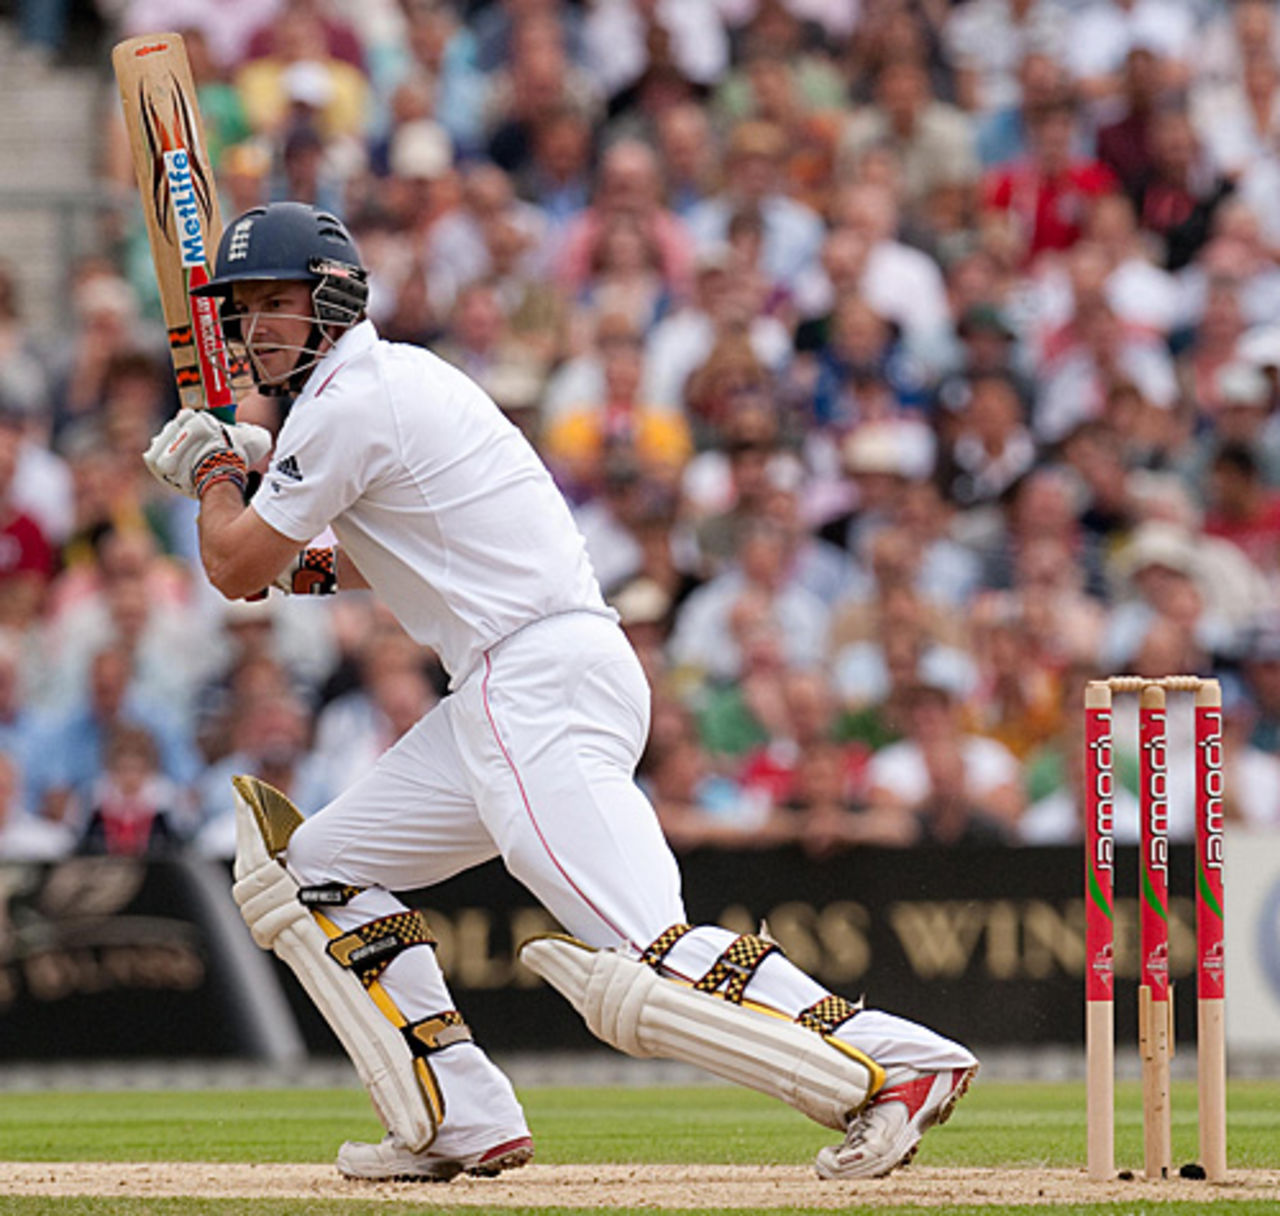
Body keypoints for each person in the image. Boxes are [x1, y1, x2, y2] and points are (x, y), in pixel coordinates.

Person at [141, 201, 977, 1183]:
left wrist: (214, 473)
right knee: (311, 872)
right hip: (526, 678)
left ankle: (895, 1061)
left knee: (643, 958)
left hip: (529, 682)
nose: (255, 327)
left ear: (333, 298)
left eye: (273, 301)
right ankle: (457, 1113)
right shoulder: (387, 384)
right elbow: (386, 553)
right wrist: (257, 499)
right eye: (242, 309)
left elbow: (234, 566)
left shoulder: (348, 402)